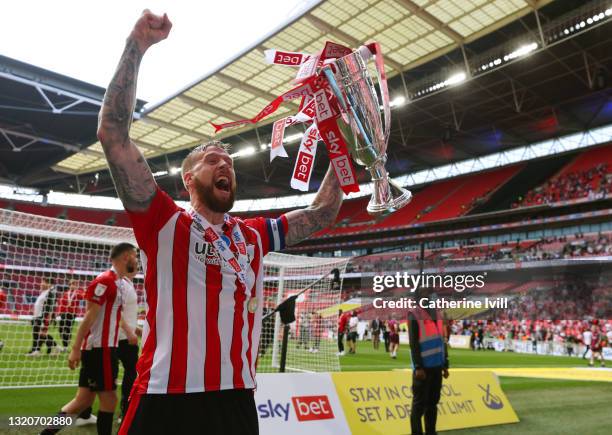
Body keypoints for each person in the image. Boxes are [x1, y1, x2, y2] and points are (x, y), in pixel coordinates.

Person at [95, 11, 343, 435]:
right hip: (165, 396)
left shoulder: (253, 235)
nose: (224, 163)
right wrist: (137, 45)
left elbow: (321, 214)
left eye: (228, 161)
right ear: (188, 179)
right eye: (212, 160)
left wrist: (344, 149)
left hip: (236, 400)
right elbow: (113, 135)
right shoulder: (163, 222)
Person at [40, 243, 139, 435]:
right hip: (99, 350)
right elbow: (89, 316)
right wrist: (76, 348)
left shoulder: (118, 283)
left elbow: (114, 318)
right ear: (126, 257)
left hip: (102, 349)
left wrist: (134, 332)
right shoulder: (105, 281)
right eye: (134, 256)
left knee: (83, 400)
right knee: (109, 400)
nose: (136, 261)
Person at [408, 304, 449, 435]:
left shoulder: (437, 313)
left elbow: (441, 341)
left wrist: (445, 364)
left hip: (437, 367)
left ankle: (431, 432)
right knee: (419, 406)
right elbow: (413, 343)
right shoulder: (414, 314)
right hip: (423, 369)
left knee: (432, 404)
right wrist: (418, 366)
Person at [117, 269, 141, 422]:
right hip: (122, 338)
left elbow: (124, 313)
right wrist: (129, 332)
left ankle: (86, 412)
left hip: (123, 337)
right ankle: (125, 412)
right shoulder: (122, 285)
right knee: (130, 374)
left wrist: (135, 328)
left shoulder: (128, 284)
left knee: (129, 374)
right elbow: (116, 312)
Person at [26, 277, 59, 356]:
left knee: (42, 334)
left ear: (49, 284)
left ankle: (55, 347)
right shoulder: (43, 292)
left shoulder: (50, 293)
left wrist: (46, 318)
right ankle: (36, 350)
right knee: (37, 334)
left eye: (43, 282)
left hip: (42, 317)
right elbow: (39, 305)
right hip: (37, 316)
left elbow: (49, 307)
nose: (41, 284)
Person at [57, 279, 85, 350]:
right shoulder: (66, 293)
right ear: (69, 285)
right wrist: (60, 312)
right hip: (64, 313)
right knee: (60, 329)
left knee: (68, 329)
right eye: (71, 284)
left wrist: (84, 291)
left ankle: (65, 346)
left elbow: (84, 296)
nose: (72, 286)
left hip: (72, 314)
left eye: (74, 284)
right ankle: (67, 341)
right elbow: (61, 303)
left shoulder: (78, 293)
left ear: (76, 286)